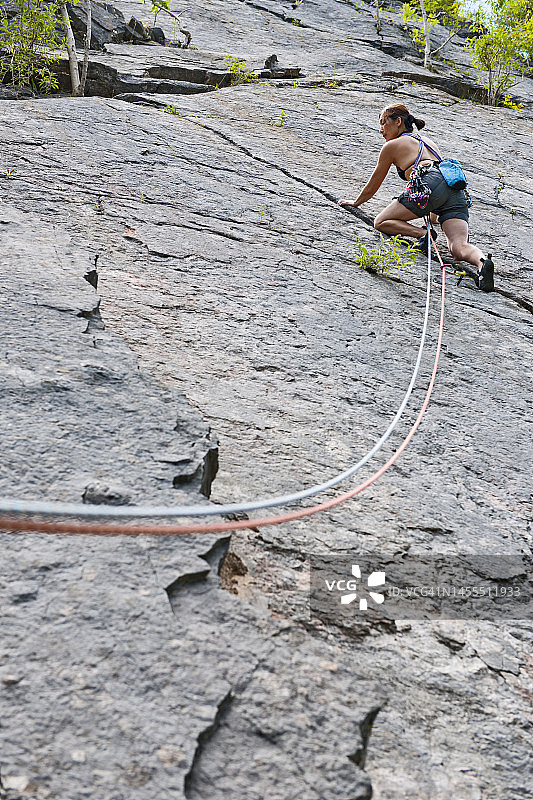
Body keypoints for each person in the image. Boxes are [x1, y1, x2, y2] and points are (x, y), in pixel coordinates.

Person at [340, 103, 494, 292]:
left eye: (383, 123)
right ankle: (482, 263)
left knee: (381, 221)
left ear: (398, 122)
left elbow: (375, 183)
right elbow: (438, 195)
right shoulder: (428, 141)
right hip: (454, 189)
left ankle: (422, 235)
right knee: (458, 247)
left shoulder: (392, 146)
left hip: (430, 183)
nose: (380, 130)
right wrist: (432, 216)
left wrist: (356, 202)